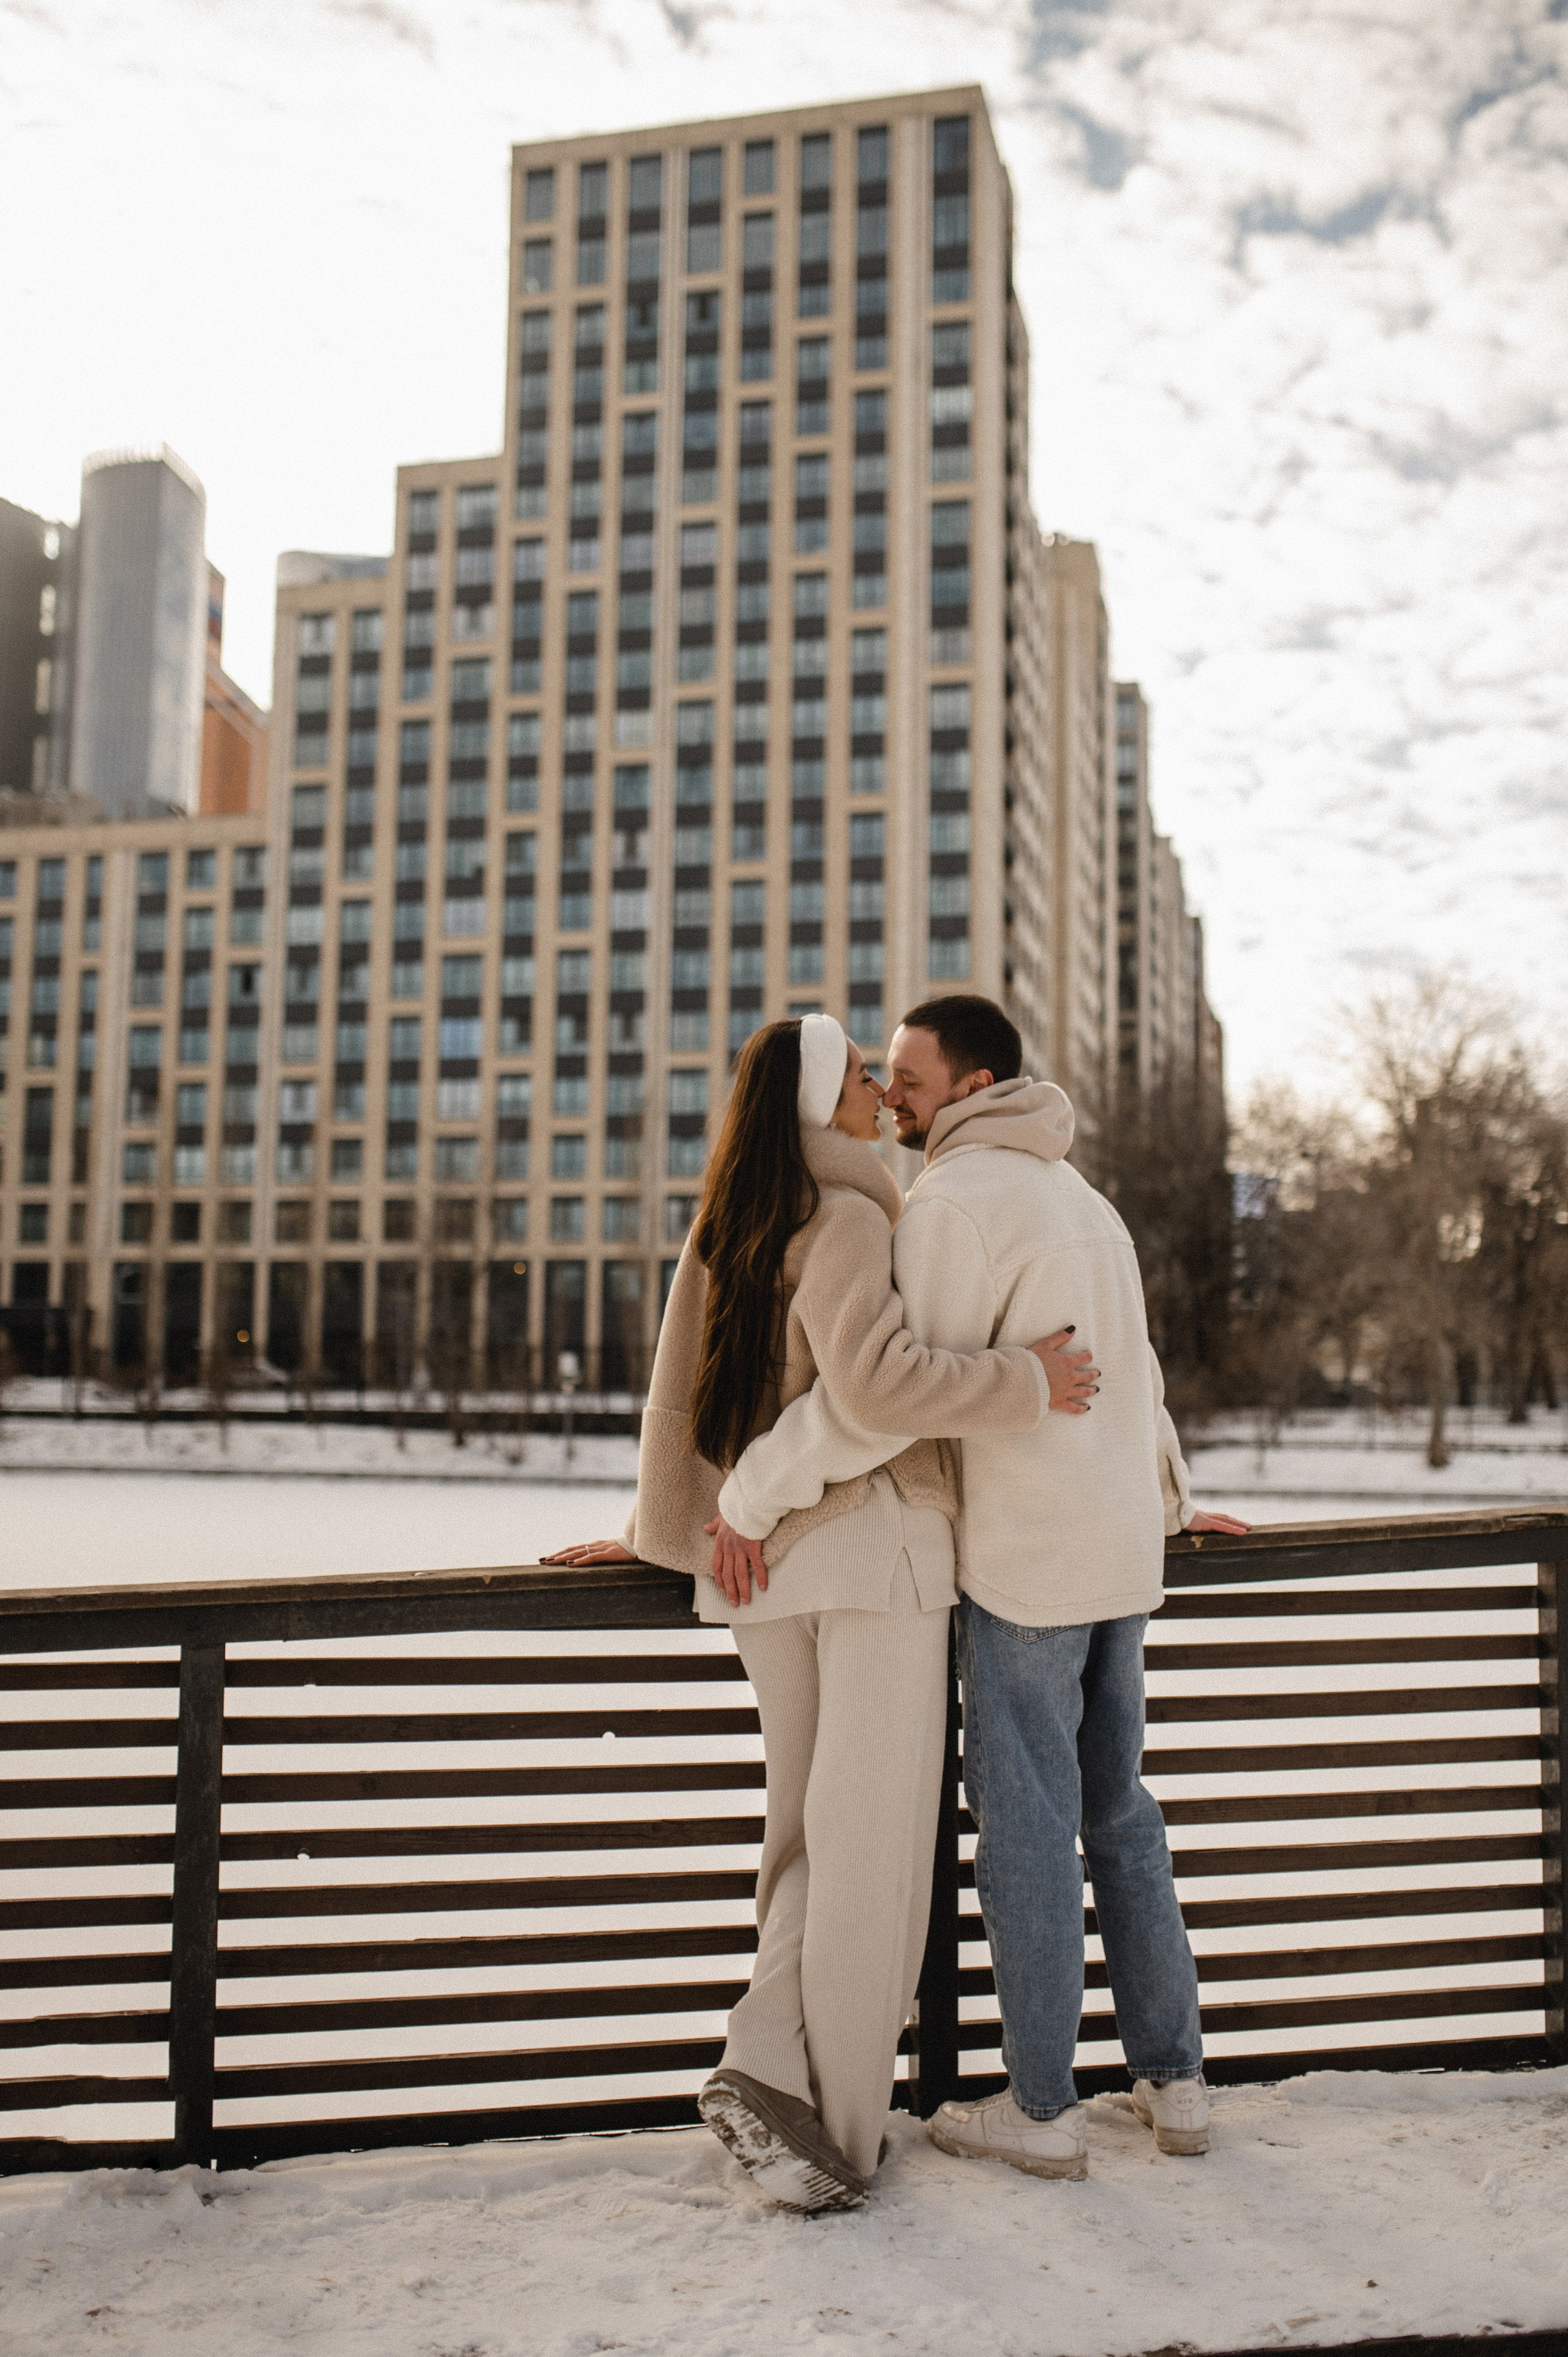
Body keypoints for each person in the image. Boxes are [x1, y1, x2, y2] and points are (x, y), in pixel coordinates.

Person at [545, 1013, 1098, 2213]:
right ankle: (829, 2130)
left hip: (759, 1582)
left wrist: (671, 1536)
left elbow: (678, 1401)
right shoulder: (847, 1213)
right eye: (857, 1077)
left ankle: (764, 2066)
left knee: (802, 1836)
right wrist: (1025, 1381)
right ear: (812, 1104)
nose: (875, 1095)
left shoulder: (732, 1221)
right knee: (871, 1856)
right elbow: (881, 1388)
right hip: (872, 1561)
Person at [710, 995, 1248, 2184]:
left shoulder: (954, 1205)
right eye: (880, 1074)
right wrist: (1165, 1502)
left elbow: (876, 1401)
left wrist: (745, 1499)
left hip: (1025, 1564)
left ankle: (1045, 2108)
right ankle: (1174, 2077)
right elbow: (1139, 1377)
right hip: (1118, 1555)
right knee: (1118, 1813)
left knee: (1024, 1835)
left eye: (905, 1074)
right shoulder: (1081, 1198)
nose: (889, 1093)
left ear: (970, 1083)